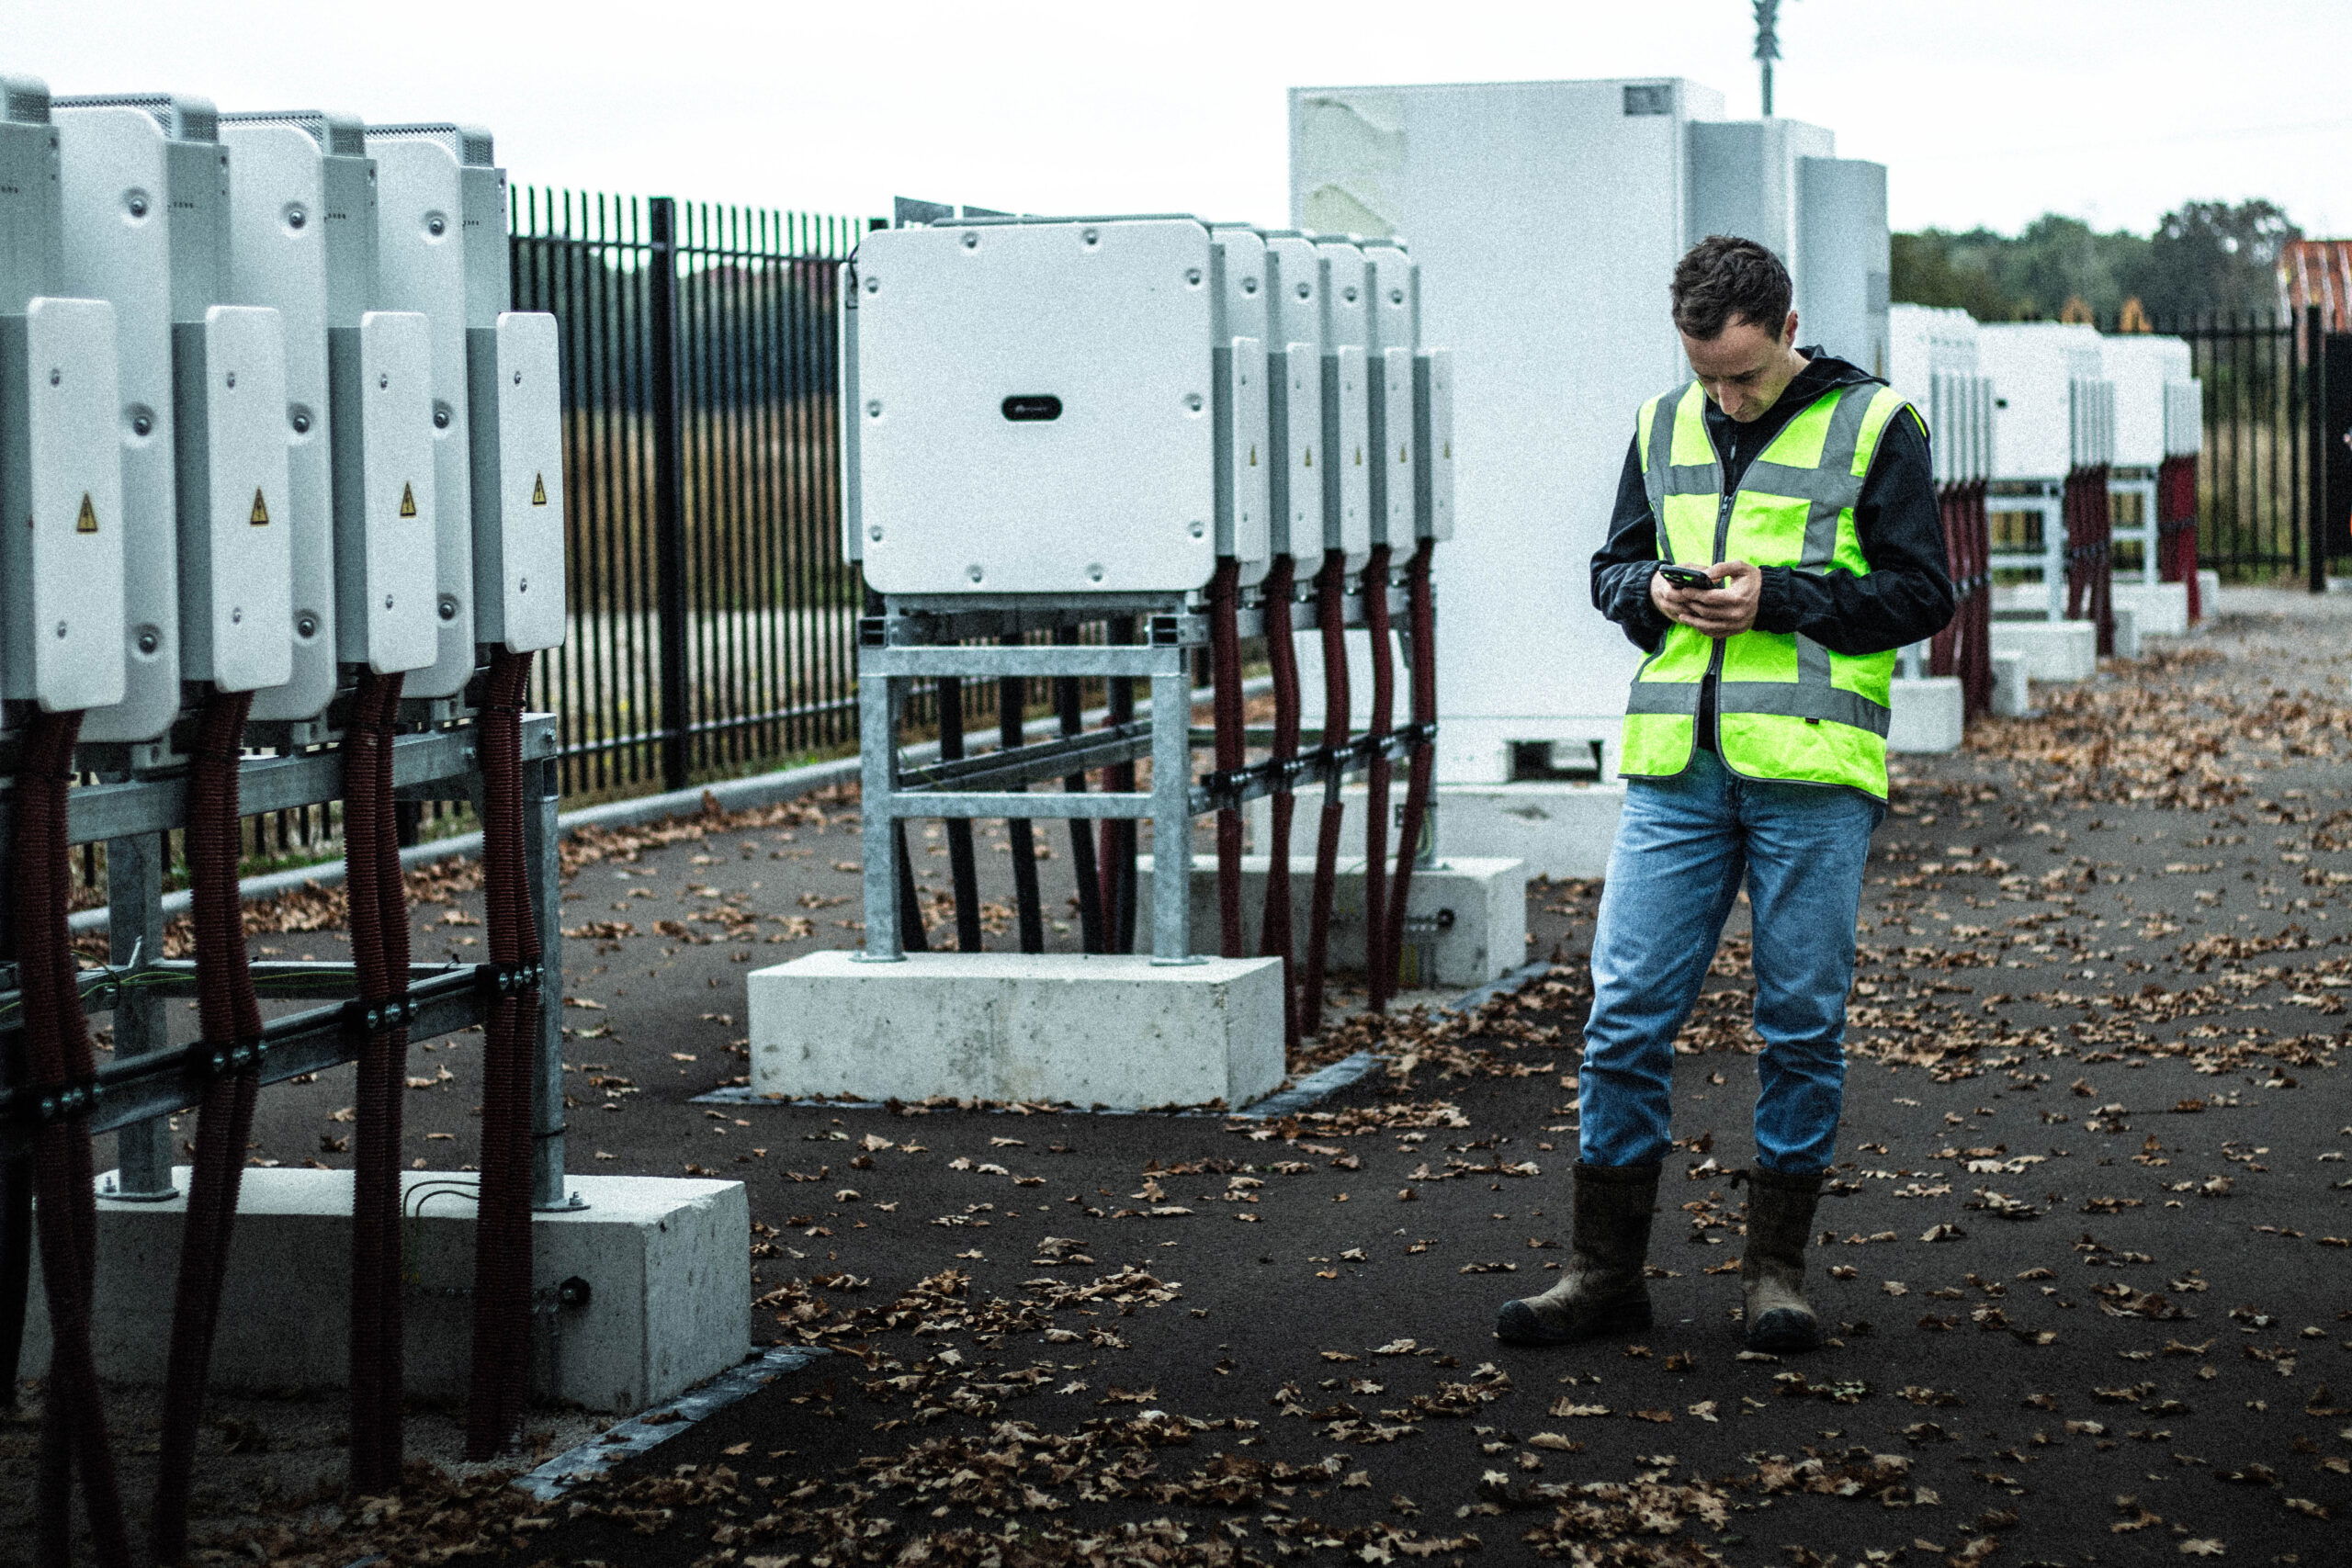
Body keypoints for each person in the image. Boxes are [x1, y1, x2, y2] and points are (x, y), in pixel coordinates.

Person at [1497, 236, 1954, 1353]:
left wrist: (1779, 601)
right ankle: (1603, 1276)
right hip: (1676, 771)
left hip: (1810, 775)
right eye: (1706, 373)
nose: (1724, 394)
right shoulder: (1662, 424)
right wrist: (1648, 591)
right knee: (1621, 1022)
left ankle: (1775, 1277)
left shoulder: (1877, 425)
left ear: (1789, 331)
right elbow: (1609, 568)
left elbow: (1922, 593)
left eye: (1744, 374)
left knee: (1799, 1024)